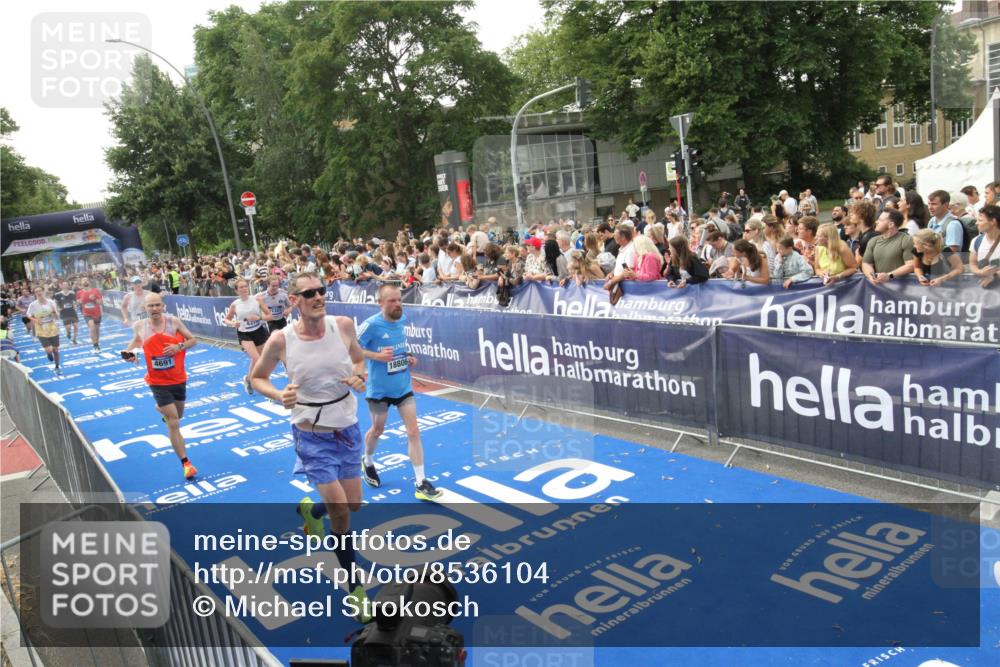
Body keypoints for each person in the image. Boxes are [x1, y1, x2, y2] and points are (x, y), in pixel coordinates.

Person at [249, 273, 371, 623]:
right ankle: (356, 588)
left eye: (322, 290)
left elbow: (359, 359)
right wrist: (279, 394)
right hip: (310, 433)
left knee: (354, 504)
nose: (319, 296)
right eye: (310, 293)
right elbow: (257, 378)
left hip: (347, 428)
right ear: (294, 301)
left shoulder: (343, 325)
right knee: (342, 512)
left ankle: (310, 512)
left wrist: (359, 375)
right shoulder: (280, 339)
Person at [356, 284, 442, 501]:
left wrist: (408, 356)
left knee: (413, 431)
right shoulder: (371, 325)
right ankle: (367, 461)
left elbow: (399, 346)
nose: (397, 304)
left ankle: (421, 482)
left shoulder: (402, 320)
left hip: (403, 386)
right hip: (379, 390)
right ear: (380, 303)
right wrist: (376, 356)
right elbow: (351, 348)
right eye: (392, 301)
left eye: (399, 300)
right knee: (377, 430)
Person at [121, 292, 198, 480]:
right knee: (173, 421)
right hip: (157, 381)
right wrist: (129, 355)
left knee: (179, 414)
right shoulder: (140, 326)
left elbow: (193, 340)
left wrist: (178, 347)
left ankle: (160, 408)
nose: (154, 309)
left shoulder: (173, 322)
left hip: (178, 377)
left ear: (163, 306)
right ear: (145, 308)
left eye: (157, 305)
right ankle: (186, 463)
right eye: (150, 306)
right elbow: (130, 347)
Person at [224, 278, 273, 394]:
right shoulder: (235, 304)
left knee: (259, 359)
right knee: (257, 359)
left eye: (245, 286)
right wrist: (233, 323)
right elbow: (226, 319)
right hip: (244, 334)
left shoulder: (257, 299)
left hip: (259, 331)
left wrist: (259, 318)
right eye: (241, 287)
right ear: (236, 290)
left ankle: (248, 379)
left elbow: (270, 316)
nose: (244, 289)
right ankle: (264, 384)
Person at [862, 209, 915, 284]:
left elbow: (911, 265)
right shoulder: (873, 241)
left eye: (880, 220)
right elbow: (866, 263)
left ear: (891, 224)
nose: (876, 222)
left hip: (902, 290)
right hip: (880, 288)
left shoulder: (906, 240)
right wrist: (871, 276)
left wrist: (889, 276)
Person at [27, 286, 62, 374]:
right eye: (36, 292)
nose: (39, 293)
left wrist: (54, 312)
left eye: (40, 291)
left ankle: (57, 367)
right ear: (35, 294)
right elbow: (28, 315)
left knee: (56, 350)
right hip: (41, 329)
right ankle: (48, 353)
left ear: (43, 292)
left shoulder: (51, 302)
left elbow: (57, 317)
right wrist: (35, 320)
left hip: (52, 328)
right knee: (50, 350)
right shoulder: (33, 305)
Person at [969, 204, 1000, 288]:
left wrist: (994, 275)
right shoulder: (976, 241)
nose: (976, 223)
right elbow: (972, 264)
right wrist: (980, 272)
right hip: (984, 290)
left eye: (980, 220)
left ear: (993, 221)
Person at [76, 277, 103, 351]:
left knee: (97, 329)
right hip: (87, 314)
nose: (85, 281)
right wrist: (80, 301)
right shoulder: (79, 292)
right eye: (83, 280)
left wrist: (94, 299)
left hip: (97, 313)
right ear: (81, 283)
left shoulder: (95, 291)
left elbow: (100, 302)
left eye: (86, 280)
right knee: (92, 327)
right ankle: (95, 345)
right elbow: (78, 301)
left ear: (89, 282)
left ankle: (97, 343)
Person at [53, 280, 79, 345]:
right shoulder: (58, 294)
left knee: (76, 326)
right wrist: (57, 310)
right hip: (64, 313)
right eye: (64, 284)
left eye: (66, 284)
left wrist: (75, 305)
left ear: (68, 285)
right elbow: (55, 303)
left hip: (72, 312)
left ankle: (74, 339)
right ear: (61, 286)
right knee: (68, 327)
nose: (65, 286)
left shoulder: (72, 293)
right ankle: (68, 333)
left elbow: (75, 301)